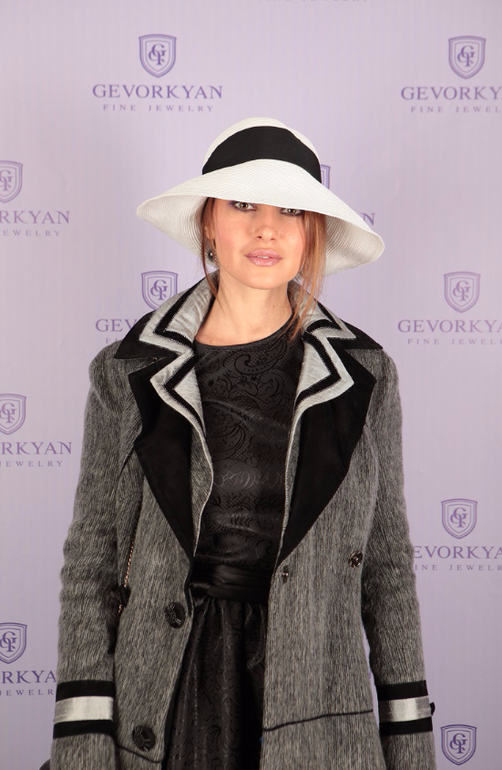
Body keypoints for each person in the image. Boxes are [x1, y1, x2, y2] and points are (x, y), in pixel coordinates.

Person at [48, 118, 436, 769]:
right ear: (208, 222)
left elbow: (387, 568)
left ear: (312, 233)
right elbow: (92, 564)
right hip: (169, 702)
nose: (267, 229)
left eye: (291, 210)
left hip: (317, 707)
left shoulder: (367, 375)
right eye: (243, 205)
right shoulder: (127, 371)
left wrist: (410, 746)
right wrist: (82, 747)